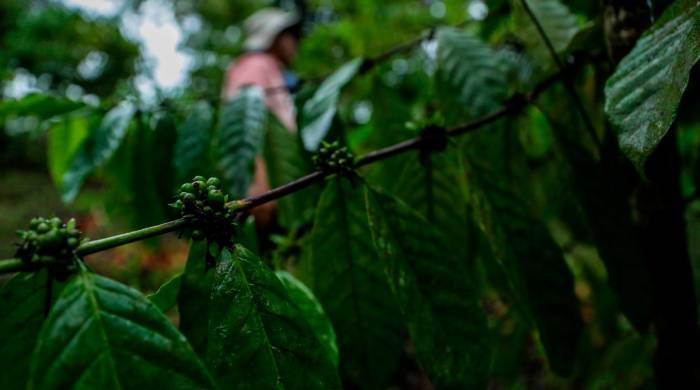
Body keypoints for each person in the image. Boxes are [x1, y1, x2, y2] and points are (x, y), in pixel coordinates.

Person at [222, 8, 301, 228]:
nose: (295, 43)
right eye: (290, 36)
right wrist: (257, 185)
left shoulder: (271, 68)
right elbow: (244, 127)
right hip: (263, 184)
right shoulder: (256, 64)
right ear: (274, 38)